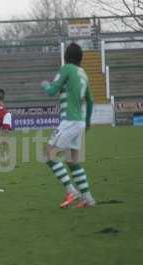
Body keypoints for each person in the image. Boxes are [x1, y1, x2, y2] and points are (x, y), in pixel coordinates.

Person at [41, 42, 95, 208]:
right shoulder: (83, 74)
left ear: (66, 56)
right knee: (72, 161)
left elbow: (51, 91)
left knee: (48, 155)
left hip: (69, 120)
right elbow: (90, 101)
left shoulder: (66, 69)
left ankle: (71, 190)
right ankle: (88, 198)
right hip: (79, 121)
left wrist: (44, 85)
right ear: (81, 58)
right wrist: (87, 123)